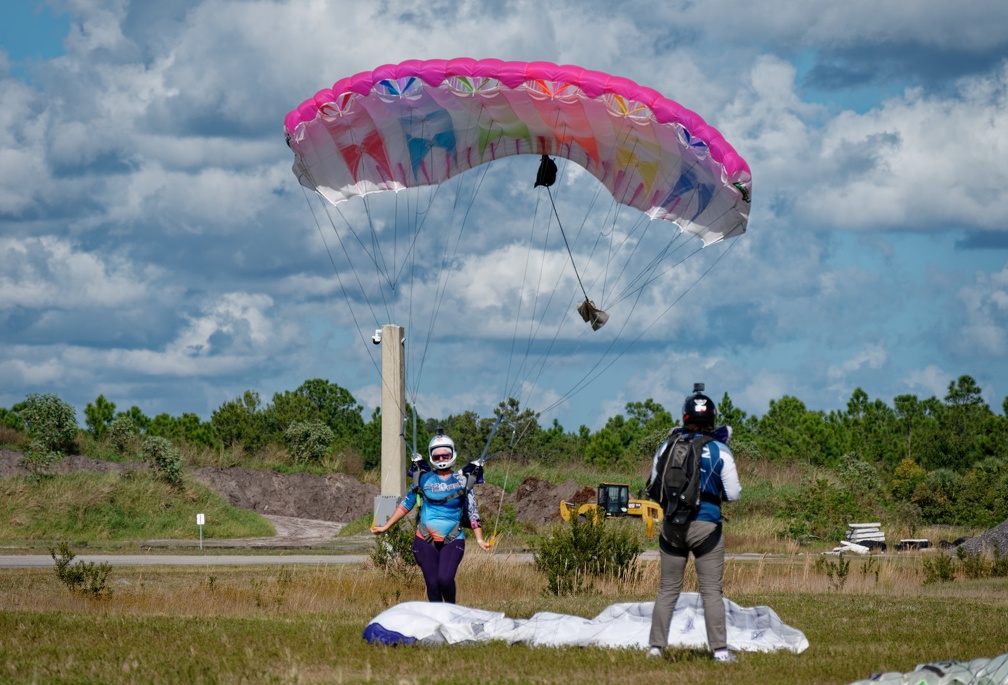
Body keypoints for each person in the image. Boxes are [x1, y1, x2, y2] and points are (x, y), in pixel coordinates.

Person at [647, 384, 742, 663]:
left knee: (667, 589)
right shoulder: (720, 450)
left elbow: (654, 485)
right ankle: (720, 652)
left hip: (672, 527)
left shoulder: (667, 446)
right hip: (706, 526)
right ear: (711, 419)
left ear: (685, 418)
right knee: (711, 590)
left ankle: (655, 648)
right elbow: (734, 493)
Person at [371, 431, 491, 603]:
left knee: (445, 580)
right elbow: (406, 504)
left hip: (453, 539)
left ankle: (451, 611)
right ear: (431, 458)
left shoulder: (463, 481)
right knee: (433, 584)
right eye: (437, 457)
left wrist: (480, 540)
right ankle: (437, 618)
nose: (441, 459)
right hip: (424, 539)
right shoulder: (423, 479)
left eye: (445, 455)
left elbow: (472, 511)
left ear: (452, 454)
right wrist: (386, 526)